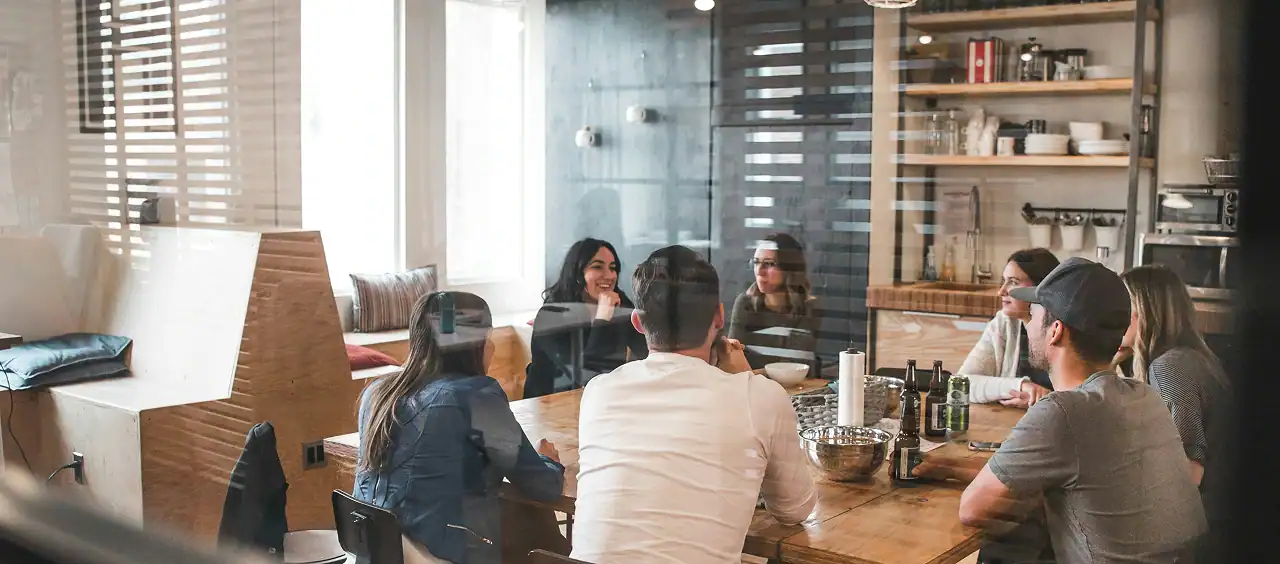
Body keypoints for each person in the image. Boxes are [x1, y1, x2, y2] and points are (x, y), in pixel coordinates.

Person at [916, 258, 1206, 564]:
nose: (1028, 323)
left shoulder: (1062, 412)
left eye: (1034, 314)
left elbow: (973, 508)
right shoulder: (1142, 396)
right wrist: (949, 468)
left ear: (1055, 331)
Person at [571, 246, 817, 564]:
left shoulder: (599, 392)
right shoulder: (760, 397)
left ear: (638, 322)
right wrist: (745, 378)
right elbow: (794, 509)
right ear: (719, 316)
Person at [355, 292, 567, 563]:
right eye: (487, 338)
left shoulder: (377, 394)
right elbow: (542, 485)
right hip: (438, 555)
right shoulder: (475, 395)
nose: (492, 348)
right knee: (535, 523)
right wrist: (549, 461)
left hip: (376, 552)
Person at [1118, 265, 1233, 561]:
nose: (1111, 316)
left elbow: (1187, 472)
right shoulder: (1191, 357)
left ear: (1145, 312)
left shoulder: (1170, 367)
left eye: (1121, 306)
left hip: (1204, 531)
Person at [525, 238, 648, 398]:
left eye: (613, 268)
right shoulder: (551, 315)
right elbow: (588, 376)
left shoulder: (620, 303)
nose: (609, 275)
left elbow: (646, 351)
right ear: (577, 274)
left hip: (603, 399)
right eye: (597, 267)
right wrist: (603, 318)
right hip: (550, 404)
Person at [958, 248, 1060, 408]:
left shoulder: (1066, 329)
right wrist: (1021, 386)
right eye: (1003, 281)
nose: (1001, 291)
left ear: (1041, 287)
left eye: (1013, 282)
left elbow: (1084, 397)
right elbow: (961, 384)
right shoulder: (1004, 323)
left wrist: (1044, 400)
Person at [728, 233, 821, 373]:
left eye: (769, 264)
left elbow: (796, 367)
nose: (759, 271)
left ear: (789, 269)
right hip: (751, 385)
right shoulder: (746, 304)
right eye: (756, 262)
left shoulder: (809, 307)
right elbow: (731, 360)